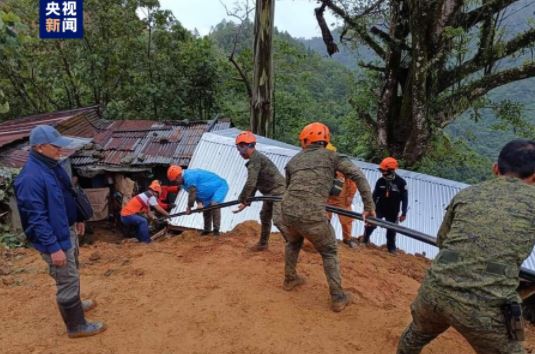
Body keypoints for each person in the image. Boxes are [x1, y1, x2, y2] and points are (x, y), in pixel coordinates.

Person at [397, 139, 535, 354]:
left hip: (434, 292)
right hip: (485, 308)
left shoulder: (466, 194)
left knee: (414, 336)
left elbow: (442, 241)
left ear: (495, 168)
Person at [14, 125, 106, 338]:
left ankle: (77, 304)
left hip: (67, 229)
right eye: (55, 147)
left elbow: (67, 195)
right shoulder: (30, 178)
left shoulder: (52, 166)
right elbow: (36, 218)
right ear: (39, 147)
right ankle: (76, 326)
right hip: (54, 239)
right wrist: (53, 247)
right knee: (66, 278)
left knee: (72, 271)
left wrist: (78, 217)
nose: (60, 150)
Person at [278, 122, 376, 312]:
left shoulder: (293, 161)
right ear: (325, 140)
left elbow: (289, 187)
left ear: (305, 141)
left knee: (293, 242)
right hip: (312, 214)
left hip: (288, 211)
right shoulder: (333, 157)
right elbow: (358, 176)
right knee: (329, 251)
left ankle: (290, 279)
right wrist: (369, 206)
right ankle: (338, 297)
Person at [233, 131, 286, 251]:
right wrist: (246, 202)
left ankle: (293, 245)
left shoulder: (255, 160)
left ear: (244, 146)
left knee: (278, 220)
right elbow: (255, 183)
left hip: (279, 191)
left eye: (238, 148)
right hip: (269, 193)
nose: (239, 152)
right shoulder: (255, 159)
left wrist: (242, 198)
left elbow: (251, 182)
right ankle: (263, 244)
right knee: (264, 215)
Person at [362, 157, 408, 253]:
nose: (382, 173)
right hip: (379, 208)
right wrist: (369, 209)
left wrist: (404, 213)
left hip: (393, 211)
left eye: (384, 171)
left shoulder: (401, 183)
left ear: (392, 170)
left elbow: (405, 199)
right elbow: (373, 196)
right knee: (371, 224)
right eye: (381, 171)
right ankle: (365, 239)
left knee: (391, 230)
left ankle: (391, 248)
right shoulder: (380, 181)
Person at [167, 165, 229, 236]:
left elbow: (192, 193)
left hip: (219, 187)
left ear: (179, 175)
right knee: (206, 209)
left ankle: (216, 230)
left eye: (175, 180)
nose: (175, 183)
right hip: (207, 194)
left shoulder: (189, 177)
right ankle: (207, 230)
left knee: (214, 204)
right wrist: (199, 203)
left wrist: (189, 207)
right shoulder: (183, 183)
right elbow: (195, 194)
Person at [325, 143, 359, 249]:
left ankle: (347, 239)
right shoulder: (322, 165)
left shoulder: (343, 165)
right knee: (324, 218)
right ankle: (325, 237)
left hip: (342, 198)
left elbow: (352, 181)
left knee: (346, 219)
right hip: (327, 197)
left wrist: (350, 196)